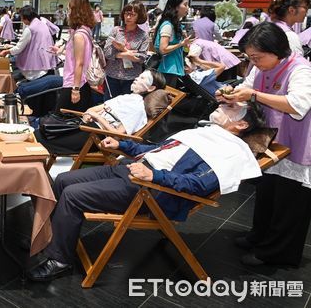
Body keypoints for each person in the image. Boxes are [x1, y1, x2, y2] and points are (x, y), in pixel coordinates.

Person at [28, 101, 264, 281]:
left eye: (231, 107)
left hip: (151, 189)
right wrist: (122, 145)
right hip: (132, 170)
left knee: (73, 195)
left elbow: (199, 184)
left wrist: (154, 176)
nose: (222, 105)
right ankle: (49, 237)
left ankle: (60, 260)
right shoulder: (207, 133)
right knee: (63, 180)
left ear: (241, 125)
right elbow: (156, 149)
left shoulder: (230, 151)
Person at [217, 22, 311, 267]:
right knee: (267, 194)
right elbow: (247, 91)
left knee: (289, 202)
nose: (254, 63)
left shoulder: (301, 70)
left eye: (257, 57)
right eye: (250, 58)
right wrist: (231, 97)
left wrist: (254, 95)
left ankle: (276, 252)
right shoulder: (261, 69)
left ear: (276, 50)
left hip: (298, 142)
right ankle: (259, 236)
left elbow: (298, 105)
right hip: (272, 141)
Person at [35, 70, 165, 155]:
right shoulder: (128, 97)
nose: (136, 78)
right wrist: (88, 113)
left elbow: (116, 135)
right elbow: (96, 108)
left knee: (43, 138)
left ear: (151, 88)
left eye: (142, 78)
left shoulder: (138, 109)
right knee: (42, 132)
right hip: (86, 126)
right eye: (139, 75)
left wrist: (97, 117)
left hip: (97, 136)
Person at [51, 0, 94, 113]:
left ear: (76, 11)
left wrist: (75, 89)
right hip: (79, 82)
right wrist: (62, 51)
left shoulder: (79, 34)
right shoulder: (85, 30)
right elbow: (77, 56)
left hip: (74, 83)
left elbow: (79, 63)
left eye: (69, 9)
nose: (67, 12)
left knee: (58, 118)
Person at [103, 1, 150, 99]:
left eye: (132, 14)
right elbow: (107, 52)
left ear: (139, 16)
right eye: (126, 13)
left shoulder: (143, 35)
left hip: (131, 78)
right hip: (112, 75)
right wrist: (127, 54)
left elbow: (142, 57)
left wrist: (121, 49)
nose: (128, 17)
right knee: (109, 105)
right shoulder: (116, 30)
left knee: (127, 107)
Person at [0, 6, 57, 81]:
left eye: (22, 18)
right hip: (47, 61)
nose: (22, 20)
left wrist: (6, 51)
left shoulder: (30, 29)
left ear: (26, 17)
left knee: (14, 66)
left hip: (35, 68)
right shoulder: (43, 23)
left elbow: (19, 48)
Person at [153, 0, 193, 88]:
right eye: (185, 4)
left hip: (173, 68)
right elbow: (163, 49)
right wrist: (181, 44)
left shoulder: (176, 25)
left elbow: (184, 51)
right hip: (167, 68)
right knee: (166, 98)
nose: (188, 8)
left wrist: (185, 46)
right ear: (176, 7)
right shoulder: (168, 25)